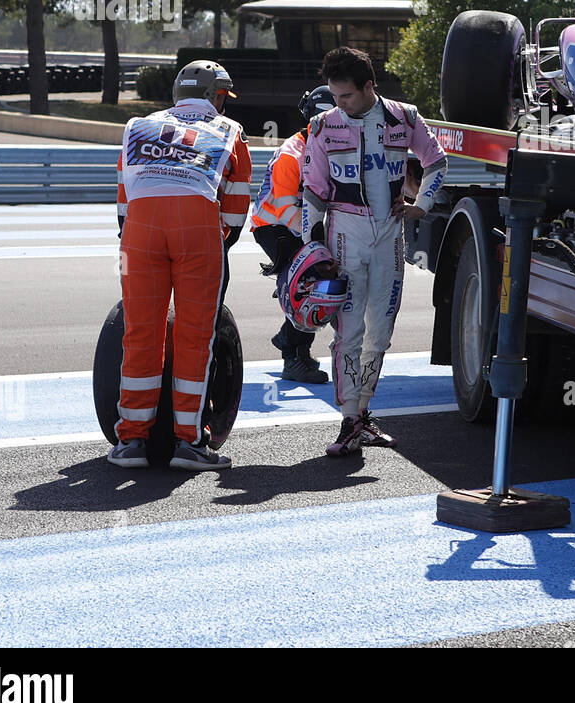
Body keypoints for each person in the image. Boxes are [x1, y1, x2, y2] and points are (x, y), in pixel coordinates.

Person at [300, 46, 447, 457]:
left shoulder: (406, 115)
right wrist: (310, 249)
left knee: (380, 333)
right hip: (344, 231)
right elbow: (311, 190)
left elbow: (437, 161)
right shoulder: (321, 126)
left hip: (391, 234)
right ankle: (348, 419)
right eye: (334, 95)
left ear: (368, 86)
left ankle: (363, 414)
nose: (339, 103)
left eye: (346, 95)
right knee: (350, 332)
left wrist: (424, 204)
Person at [107, 60, 253, 472]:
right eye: (223, 96)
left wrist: (136, 233)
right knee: (194, 336)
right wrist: (214, 239)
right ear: (214, 95)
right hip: (196, 227)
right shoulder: (229, 130)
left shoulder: (137, 125)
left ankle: (131, 441)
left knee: (140, 333)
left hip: (139, 229)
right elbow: (237, 204)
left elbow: (123, 196)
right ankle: (189, 443)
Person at [250, 86, 336, 384]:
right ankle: (293, 356)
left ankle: (289, 339)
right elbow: (286, 208)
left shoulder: (326, 146)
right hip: (276, 227)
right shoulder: (292, 154)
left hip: (303, 222)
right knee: (310, 283)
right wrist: (314, 244)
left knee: (321, 281)